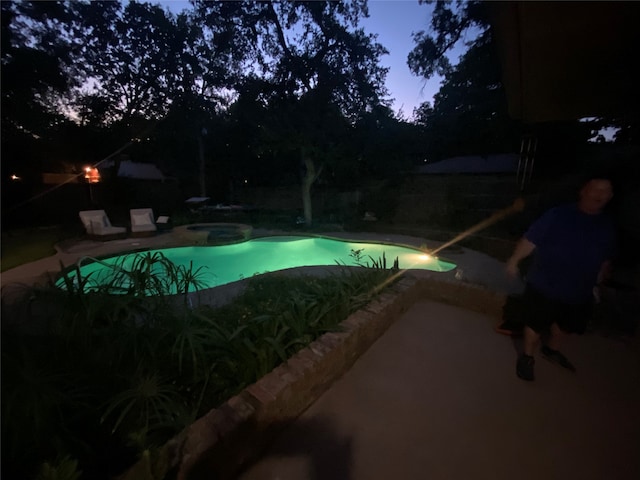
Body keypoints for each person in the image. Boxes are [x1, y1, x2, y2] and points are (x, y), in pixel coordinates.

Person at [506, 175, 617, 381]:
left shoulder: (606, 225)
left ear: (610, 196)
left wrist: (600, 280)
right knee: (535, 323)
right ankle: (527, 357)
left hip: (580, 289)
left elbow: (605, 257)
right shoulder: (558, 215)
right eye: (596, 189)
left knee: (567, 326)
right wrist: (514, 260)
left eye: (606, 191)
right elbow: (530, 239)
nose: (600, 195)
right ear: (584, 191)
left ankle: (551, 350)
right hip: (544, 283)